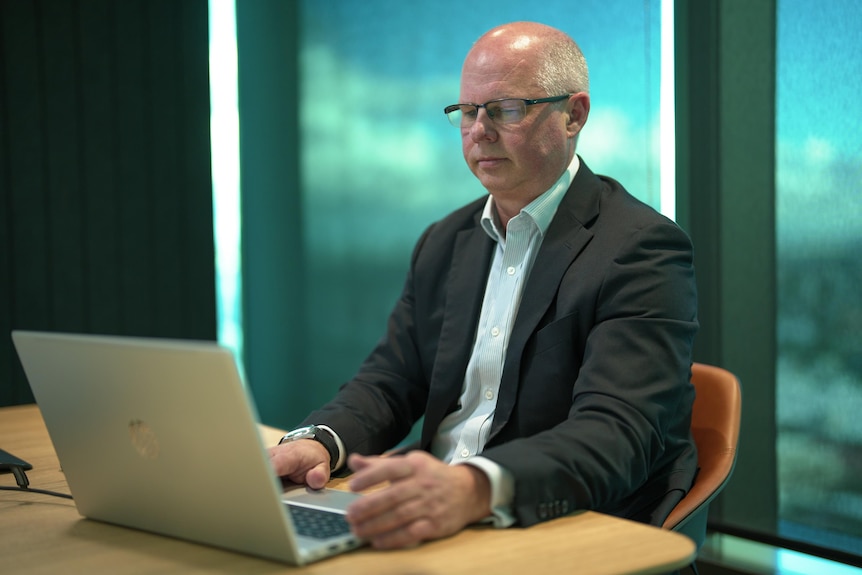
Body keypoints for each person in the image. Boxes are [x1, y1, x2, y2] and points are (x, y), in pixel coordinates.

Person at [269, 21, 698, 551]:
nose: (479, 131)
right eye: (467, 112)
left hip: (550, 524)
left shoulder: (641, 248)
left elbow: (616, 435)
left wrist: (475, 487)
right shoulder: (445, 241)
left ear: (574, 115)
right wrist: (319, 443)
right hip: (433, 512)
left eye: (507, 109)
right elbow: (390, 380)